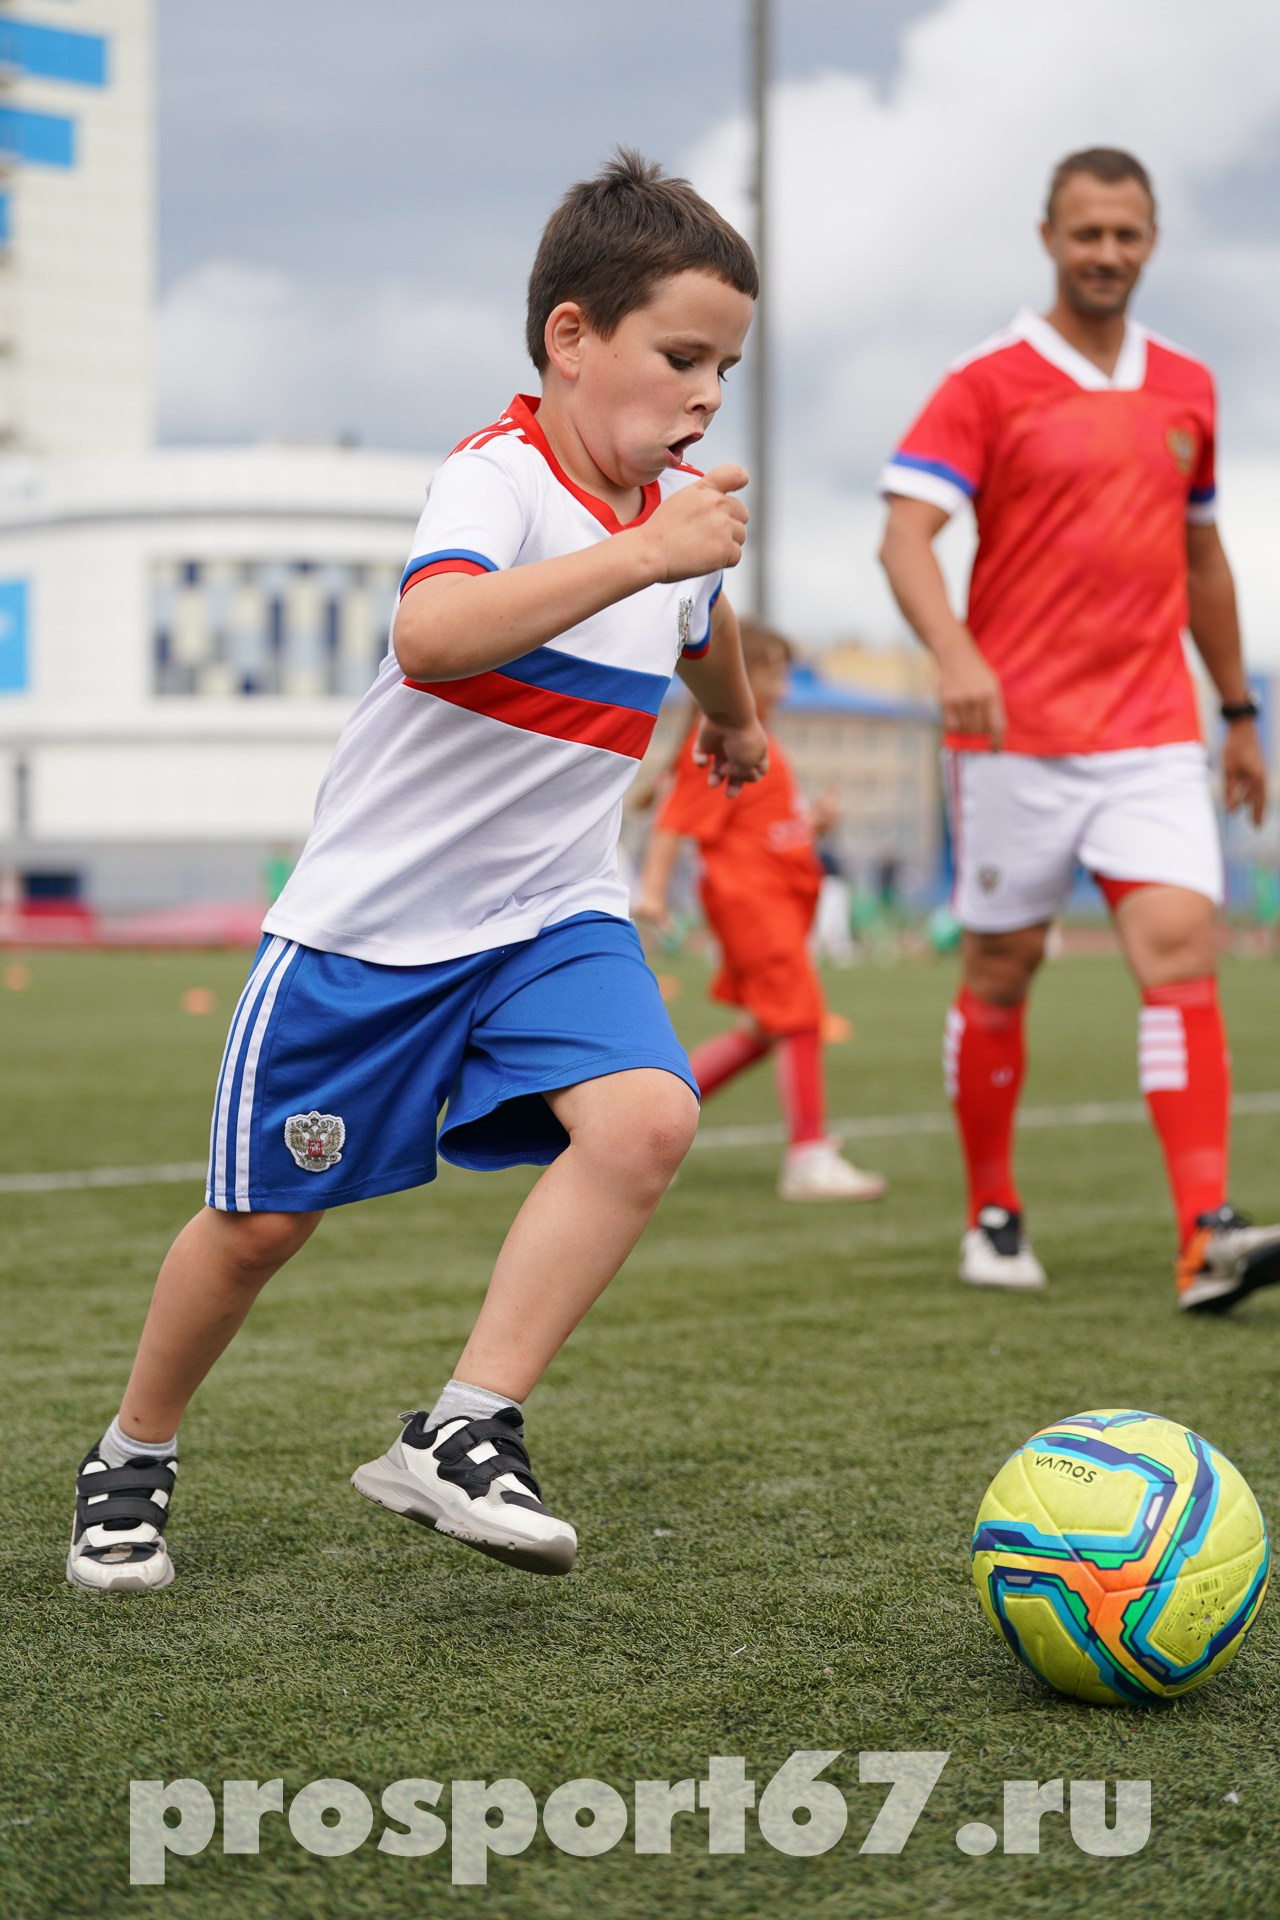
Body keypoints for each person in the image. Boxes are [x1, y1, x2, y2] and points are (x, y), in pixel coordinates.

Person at [66, 151, 766, 1593]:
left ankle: (464, 1426)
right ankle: (134, 1453)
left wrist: (741, 727)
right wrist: (647, 562)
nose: (705, 395)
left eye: (726, 371)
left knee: (644, 1121)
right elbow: (434, 638)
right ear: (571, 338)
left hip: (550, 918)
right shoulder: (495, 477)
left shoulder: (681, 521)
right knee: (264, 1226)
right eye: (681, 356)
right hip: (370, 935)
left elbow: (705, 630)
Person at [878, 146, 1280, 1312]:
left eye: (1127, 234)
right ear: (1048, 237)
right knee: (999, 972)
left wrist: (1238, 712)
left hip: (1153, 730)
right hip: (1013, 739)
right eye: (1085, 232)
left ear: (1150, 241)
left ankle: (1203, 1233)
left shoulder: (1187, 386)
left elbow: (1200, 557)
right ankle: (990, 1211)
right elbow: (903, 536)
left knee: (1177, 952)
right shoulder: (985, 380)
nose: (1106, 253)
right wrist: (953, 655)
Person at [634, 618, 886, 1203]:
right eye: (776, 675)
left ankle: (641, 1132)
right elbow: (675, 818)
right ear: (738, 675)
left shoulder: (753, 737)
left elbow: (762, 823)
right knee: (798, 1017)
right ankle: (808, 1155)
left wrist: (811, 825)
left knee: (761, 1030)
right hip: (752, 905)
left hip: (768, 904)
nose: (786, 689)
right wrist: (651, 891)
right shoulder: (719, 732)